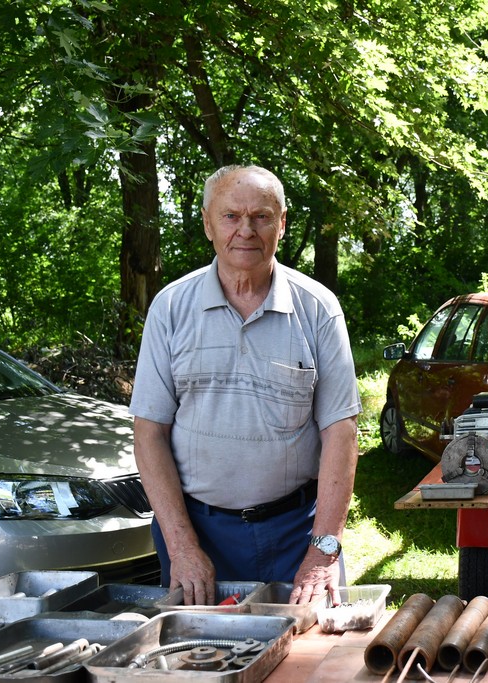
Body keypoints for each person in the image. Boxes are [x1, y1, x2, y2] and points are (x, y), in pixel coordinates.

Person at [129, 165, 360, 606]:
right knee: (197, 661)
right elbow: (149, 432)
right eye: (231, 216)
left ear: (282, 223)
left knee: (312, 668)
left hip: (298, 533)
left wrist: (323, 550)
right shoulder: (171, 308)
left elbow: (341, 434)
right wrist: (182, 547)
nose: (246, 230)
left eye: (261, 216)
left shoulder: (318, 309)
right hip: (196, 532)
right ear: (207, 224)